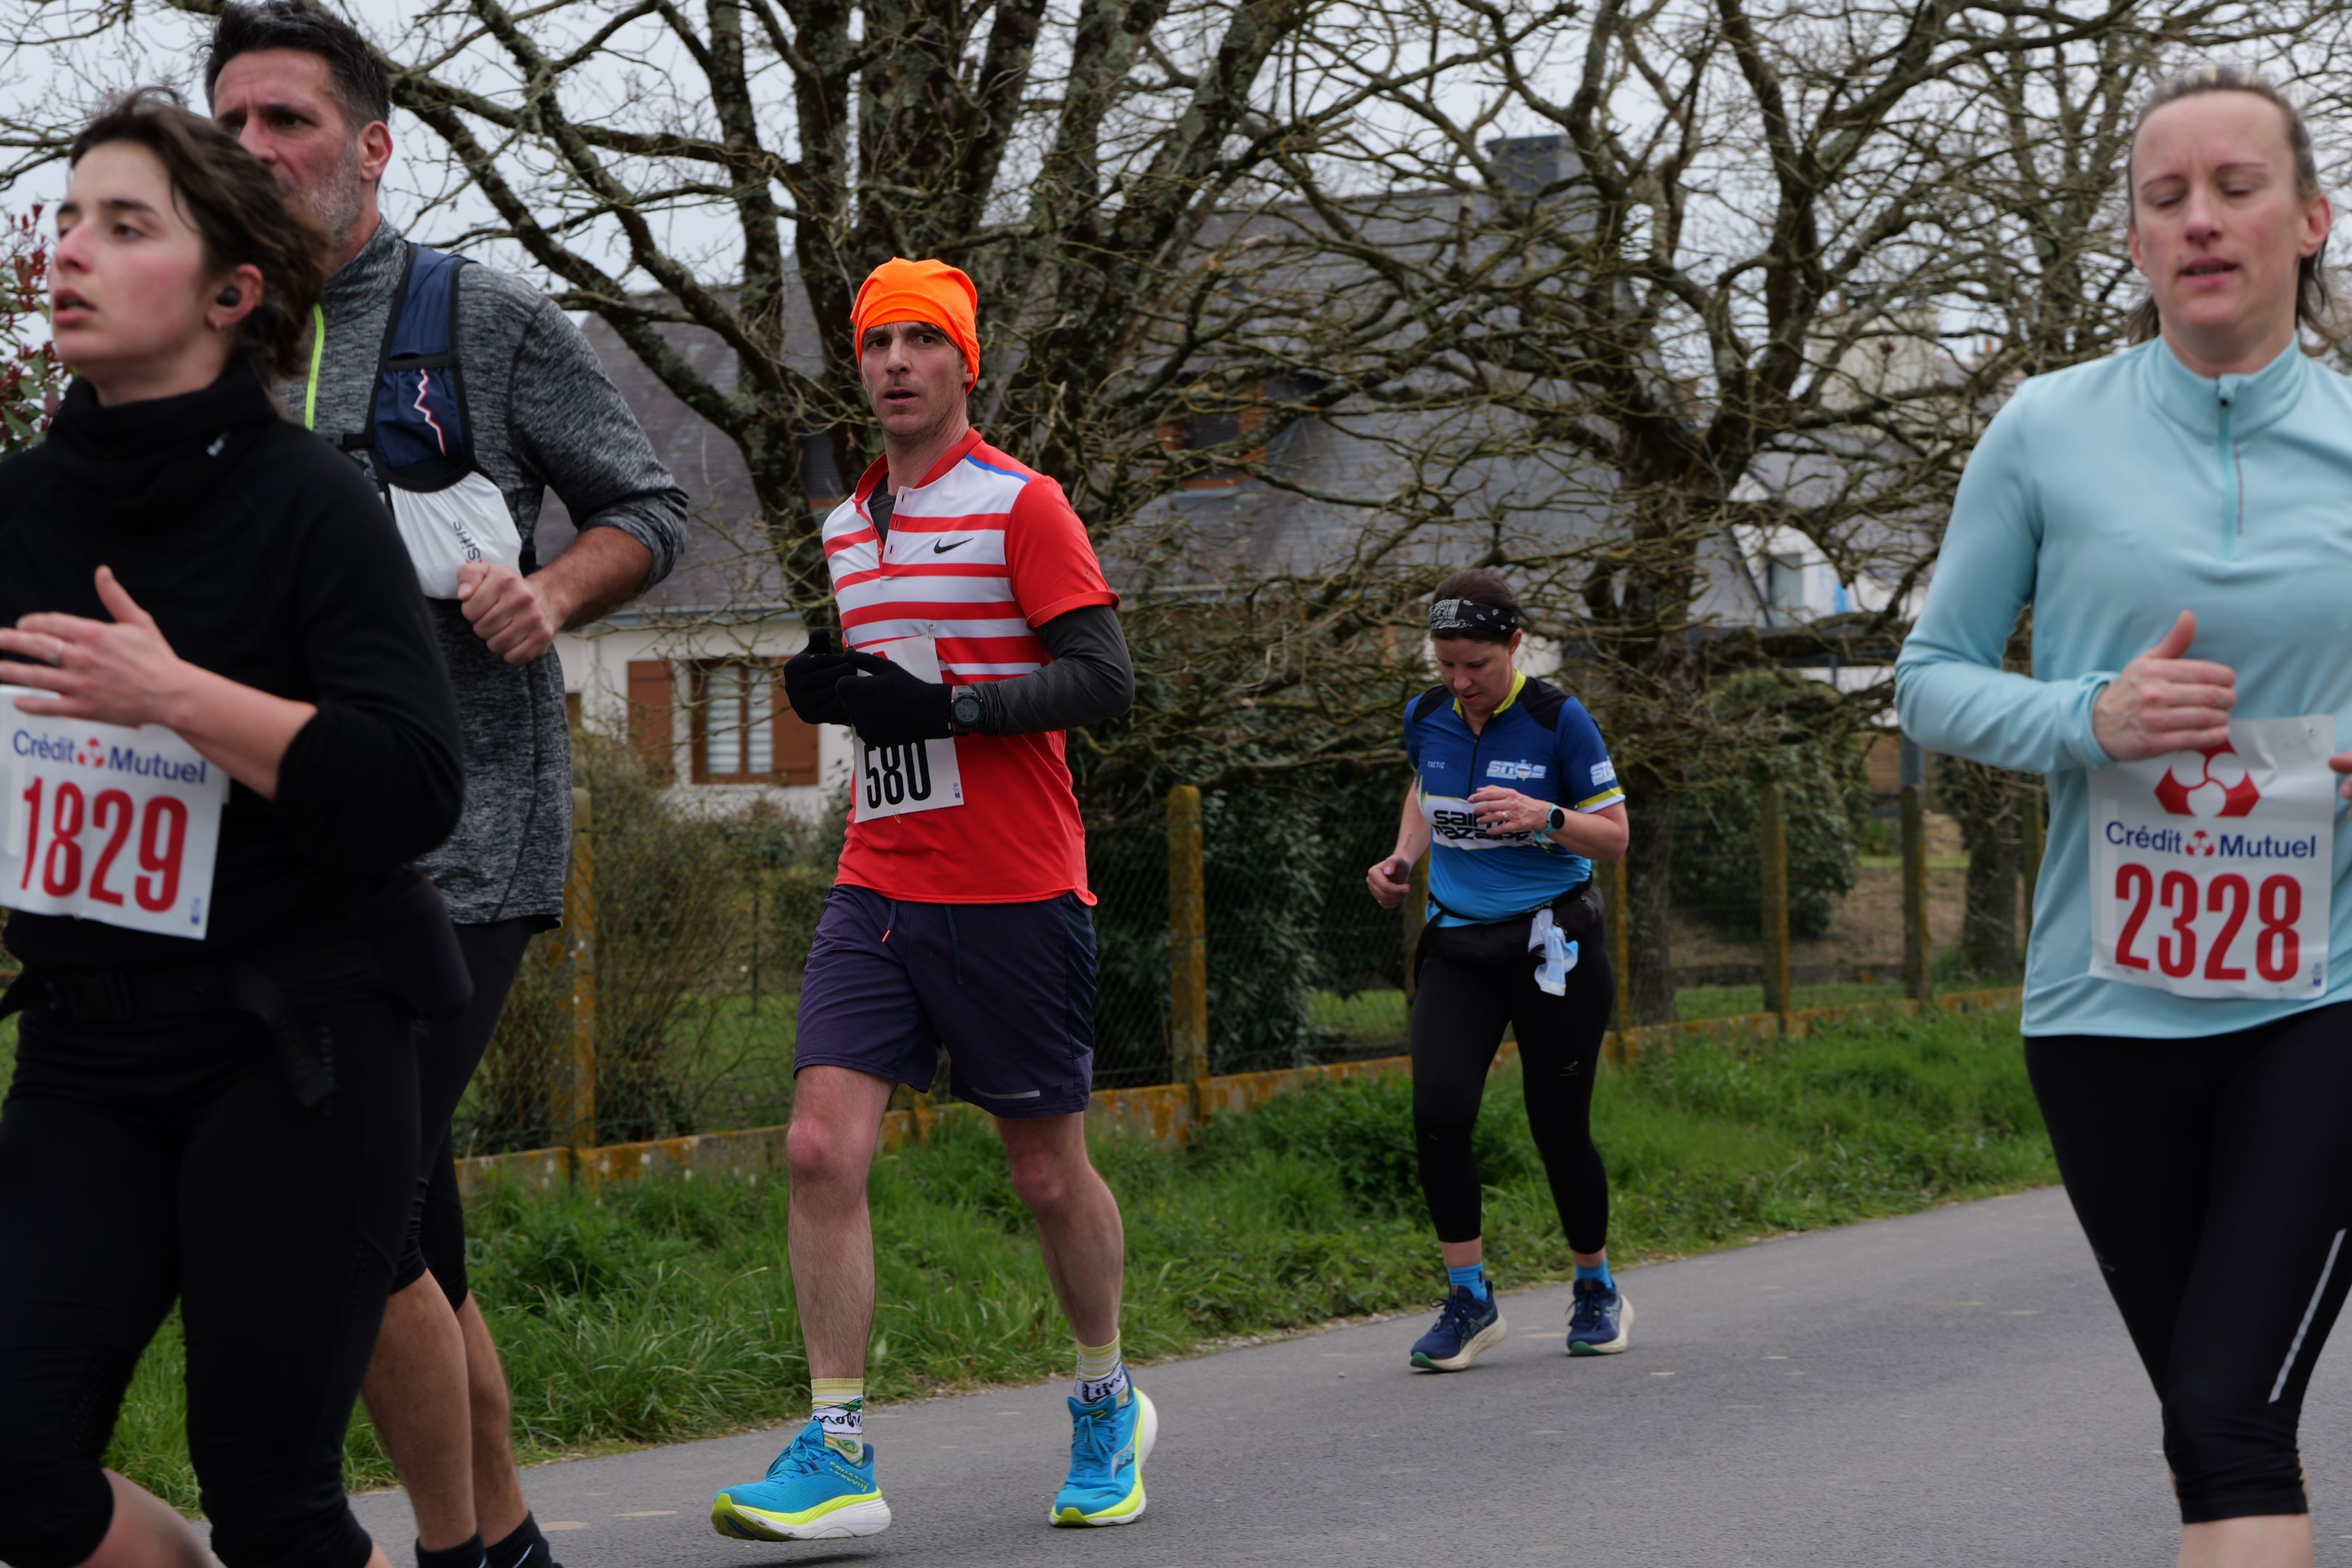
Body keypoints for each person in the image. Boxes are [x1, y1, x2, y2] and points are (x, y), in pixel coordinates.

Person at [201, 9, 689, 1567]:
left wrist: (552, 596)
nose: (257, 150)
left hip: (464, 844)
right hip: (275, 854)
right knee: (412, 1233)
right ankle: (506, 1544)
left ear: (372, 146)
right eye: (232, 124)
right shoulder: (211, 334)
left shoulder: (480, 316)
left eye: (288, 119)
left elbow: (650, 507)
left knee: (353, 1212)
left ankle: (455, 1551)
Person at [0, 93, 463, 1568]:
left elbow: (413, 783)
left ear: (230, 293)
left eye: (125, 224)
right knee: (13, 1459)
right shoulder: (18, 511)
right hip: (83, 1047)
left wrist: (179, 697)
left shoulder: (312, 504)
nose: (70, 251)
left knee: (272, 1496)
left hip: (296, 1043)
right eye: (69, 217)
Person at [1898, 64, 2352, 1568]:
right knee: (2211, 1437)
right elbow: (1930, 680)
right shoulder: (2044, 430)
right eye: (2167, 198)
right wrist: (2087, 718)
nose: (2201, 219)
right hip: (2103, 1010)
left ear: (2310, 221)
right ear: (2138, 242)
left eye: (2236, 187)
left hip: (2325, 998)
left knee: (2228, 1415)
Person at [708, 256, 1142, 1540]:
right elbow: (890, 683)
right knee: (817, 1147)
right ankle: (837, 1445)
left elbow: (1103, 681)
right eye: (875, 343)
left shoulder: (1023, 506)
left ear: (965, 362)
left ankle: (1106, 1400)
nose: (896, 363)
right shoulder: (848, 524)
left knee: (1047, 1174)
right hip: (880, 881)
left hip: (1016, 888)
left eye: (922, 340)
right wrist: (830, 690)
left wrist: (946, 707)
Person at [1366, 572, 1631, 1371]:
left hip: (1554, 951)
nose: (1460, 682)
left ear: (1515, 645)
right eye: (1446, 663)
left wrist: (1546, 816)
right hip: (1459, 949)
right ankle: (1469, 1300)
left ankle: (1595, 1286)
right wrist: (1401, 857)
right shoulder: (1426, 715)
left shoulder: (1559, 719)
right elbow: (1426, 787)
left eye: (1476, 664)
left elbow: (1615, 837)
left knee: (1559, 1127)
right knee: (1439, 1115)